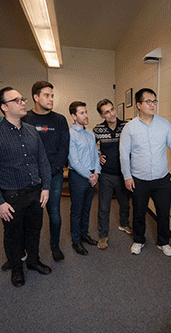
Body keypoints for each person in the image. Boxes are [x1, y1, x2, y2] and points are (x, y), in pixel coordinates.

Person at [0, 87, 52, 288]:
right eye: (16, 100)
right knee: (13, 234)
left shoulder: (31, 131)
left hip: (35, 193)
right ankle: (17, 268)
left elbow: (43, 161)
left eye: (23, 99)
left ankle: (33, 261)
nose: (23, 103)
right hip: (11, 196)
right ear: (4, 107)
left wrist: (46, 186)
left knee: (34, 230)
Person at [119, 88, 171, 256]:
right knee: (139, 213)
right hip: (139, 179)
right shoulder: (130, 128)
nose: (152, 104)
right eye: (148, 101)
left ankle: (163, 242)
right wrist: (127, 176)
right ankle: (139, 240)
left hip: (161, 179)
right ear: (139, 105)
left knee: (163, 212)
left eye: (154, 101)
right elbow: (124, 154)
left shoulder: (164, 124)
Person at [22, 81, 69, 262]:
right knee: (32, 217)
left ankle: (55, 245)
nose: (51, 99)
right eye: (46, 96)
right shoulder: (25, 118)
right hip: (31, 177)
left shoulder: (59, 120)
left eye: (52, 96)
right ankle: (26, 252)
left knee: (55, 214)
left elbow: (64, 148)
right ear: (36, 97)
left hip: (54, 175)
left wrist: (51, 172)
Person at [93, 99, 131, 250]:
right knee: (103, 206)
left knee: (125, 203)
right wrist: (98, 154)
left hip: (123, 173)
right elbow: (90, 147)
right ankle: (103, 236)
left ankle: (124, 224)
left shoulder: (126, 126)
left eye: (112, 109)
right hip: (106, 175)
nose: (111, 114)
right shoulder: (98, 130)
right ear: (102, 116)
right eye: (107, 112)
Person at [68, 101, 101, 255]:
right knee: (77, 210)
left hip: (92, 176)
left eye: (86, 112)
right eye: (82, 113)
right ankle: (76, 241)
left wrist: (97, 174)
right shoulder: (70, 134)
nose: (86, 115)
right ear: (74, 116)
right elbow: (74, 161)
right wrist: (90, 176)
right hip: (78, 177)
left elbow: (96, 155)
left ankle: (84, 234)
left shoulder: (90, 134)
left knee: (87, 209)